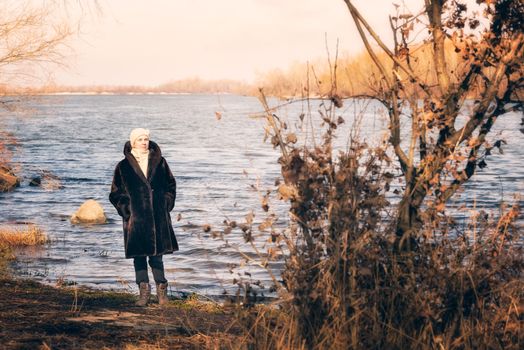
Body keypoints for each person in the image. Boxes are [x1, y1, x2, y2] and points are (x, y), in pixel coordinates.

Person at [109, 128, 178, 306]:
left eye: (146, 138)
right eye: (140, 139)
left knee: (157, 256)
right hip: (136, 219)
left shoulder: (160, 162)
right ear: (133, 142)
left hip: (158, 217)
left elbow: (171, 184)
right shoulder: (123, 166)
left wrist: (166, 203)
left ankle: (162, 293)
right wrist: (126, 210)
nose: (144, 142)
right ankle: (143, 294)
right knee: (139, 257)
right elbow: (115, 193)